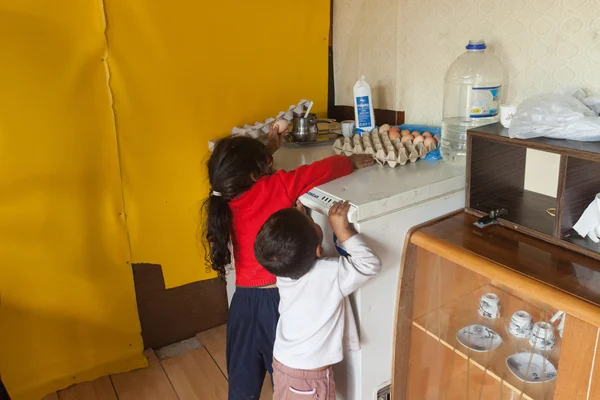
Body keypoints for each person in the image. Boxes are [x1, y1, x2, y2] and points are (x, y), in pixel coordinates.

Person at [202, 123, 374, 399]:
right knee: (285, 377)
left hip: (243, 304)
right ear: (256, 172)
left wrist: (270, 145)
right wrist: (350, 161)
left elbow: (244, 172)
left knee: (242, 383)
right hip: (277, 303)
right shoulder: (277, 185)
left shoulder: (224, 201)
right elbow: (320, 171)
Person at [254, 200, 382, 400]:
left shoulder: (283, 269)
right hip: (308, 379)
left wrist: (299, 221)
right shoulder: (329, 272)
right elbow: (369, 264)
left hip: (283, 363)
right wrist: (342, 230)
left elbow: (289, 248)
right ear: (317, 250)